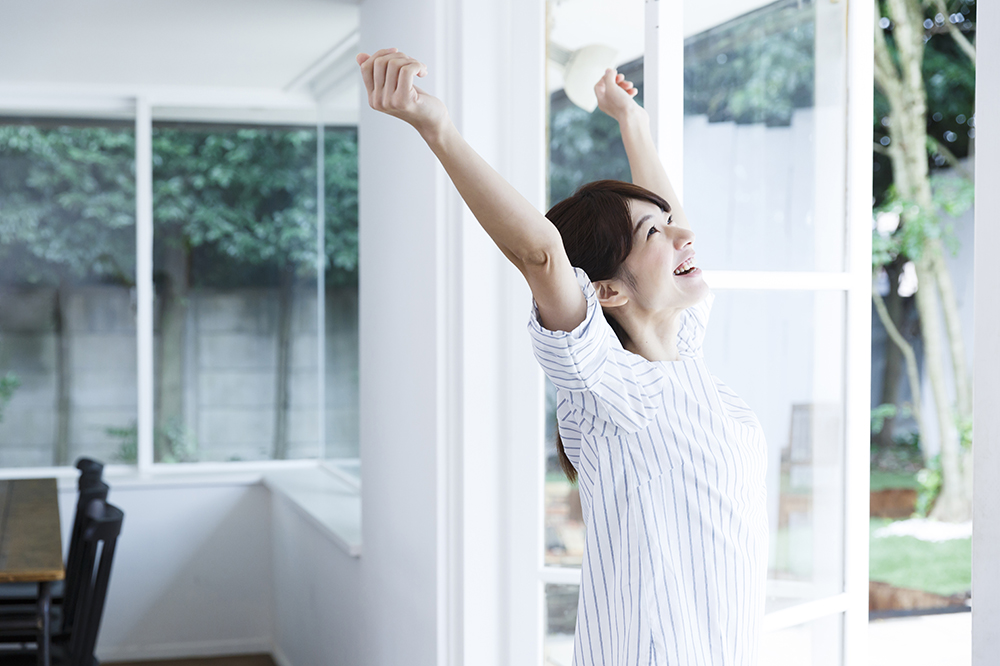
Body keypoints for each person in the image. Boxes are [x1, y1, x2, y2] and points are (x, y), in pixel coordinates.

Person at [357, 48, 768, 666]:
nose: (684, 234)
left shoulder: (684, 348)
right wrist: (435, 126)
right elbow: (541, 255)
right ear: (604, 290)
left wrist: (633, 123)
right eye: (655, 234)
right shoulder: (605, 383)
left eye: (669, 225)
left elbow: (672, 219)